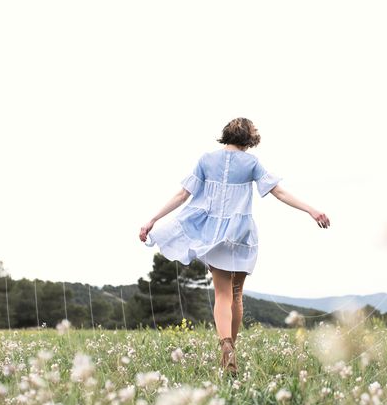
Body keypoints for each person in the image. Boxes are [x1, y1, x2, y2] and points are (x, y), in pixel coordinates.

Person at [138, 117, 330, 374]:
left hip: (214, 237)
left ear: (226, 134)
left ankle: (225, 345)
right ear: (250, 138)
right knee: (236, 294)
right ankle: (231, 349)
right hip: (240, 235)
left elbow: (182, 194)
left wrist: (153, 219)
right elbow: (280, 193)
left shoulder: (206, 159)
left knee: (222, 294)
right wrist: (312, 210)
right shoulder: (251, 163)